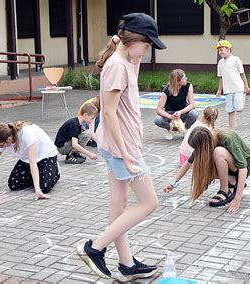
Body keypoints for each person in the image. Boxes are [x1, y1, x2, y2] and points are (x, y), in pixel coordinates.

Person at [76, 13, 166, 282]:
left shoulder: (125, 61)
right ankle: (94, 248)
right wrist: (126, 154)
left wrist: (126, 47)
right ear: (134, 40)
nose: (148, 50)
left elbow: (132, 74)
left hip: (117, 145)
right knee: (149, 202)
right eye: (147, 44)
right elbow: (111, 112)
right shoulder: (117, 65)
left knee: (120, 204)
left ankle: (126, 264)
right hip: (122, 147)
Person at [164, 127, 250, 213]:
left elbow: (243, 168)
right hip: (233, 167)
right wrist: (172, 183)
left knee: (218, 152)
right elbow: (188, 163)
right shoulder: (205, 141)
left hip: (247, 165)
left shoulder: (226, 137)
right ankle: (231, 180)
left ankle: (225, 190)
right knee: (203, 163)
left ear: (205, 144)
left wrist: (237, 200)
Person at [0, 121, 60, 200]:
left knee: (45, 187)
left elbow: (33, 162)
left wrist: (37, 189)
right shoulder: (5, 137)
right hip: (27, 159)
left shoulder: (27, 134)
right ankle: (39, 175)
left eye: (0, 145)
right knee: (14, 185)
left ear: (9, 139)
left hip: (46, 156)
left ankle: (55, 170)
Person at [215, 40, 250, 129]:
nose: (220, 52)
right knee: (230, 111)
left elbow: (242, 73)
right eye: (219, 51)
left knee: (239, 109)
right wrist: (219, 90)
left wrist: (246, 86)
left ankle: (244, 94)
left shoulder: (236, 60)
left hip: (238, 88)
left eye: (222, 50)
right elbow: (221, 77)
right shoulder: (220, 63)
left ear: (228, 49)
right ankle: (232, 130)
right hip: (228, 90)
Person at [154, 69, 198, 140]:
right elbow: (159, 109)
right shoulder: (166, 90)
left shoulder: (188, 86)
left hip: (182, 112)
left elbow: (192, 105)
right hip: (170, 114)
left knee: (194, 113)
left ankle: (185, 129)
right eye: (184, 78)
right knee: (157, 120)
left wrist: (180, 112)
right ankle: (171, 130)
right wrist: (171, 116)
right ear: (177, 81)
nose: (186, 78)